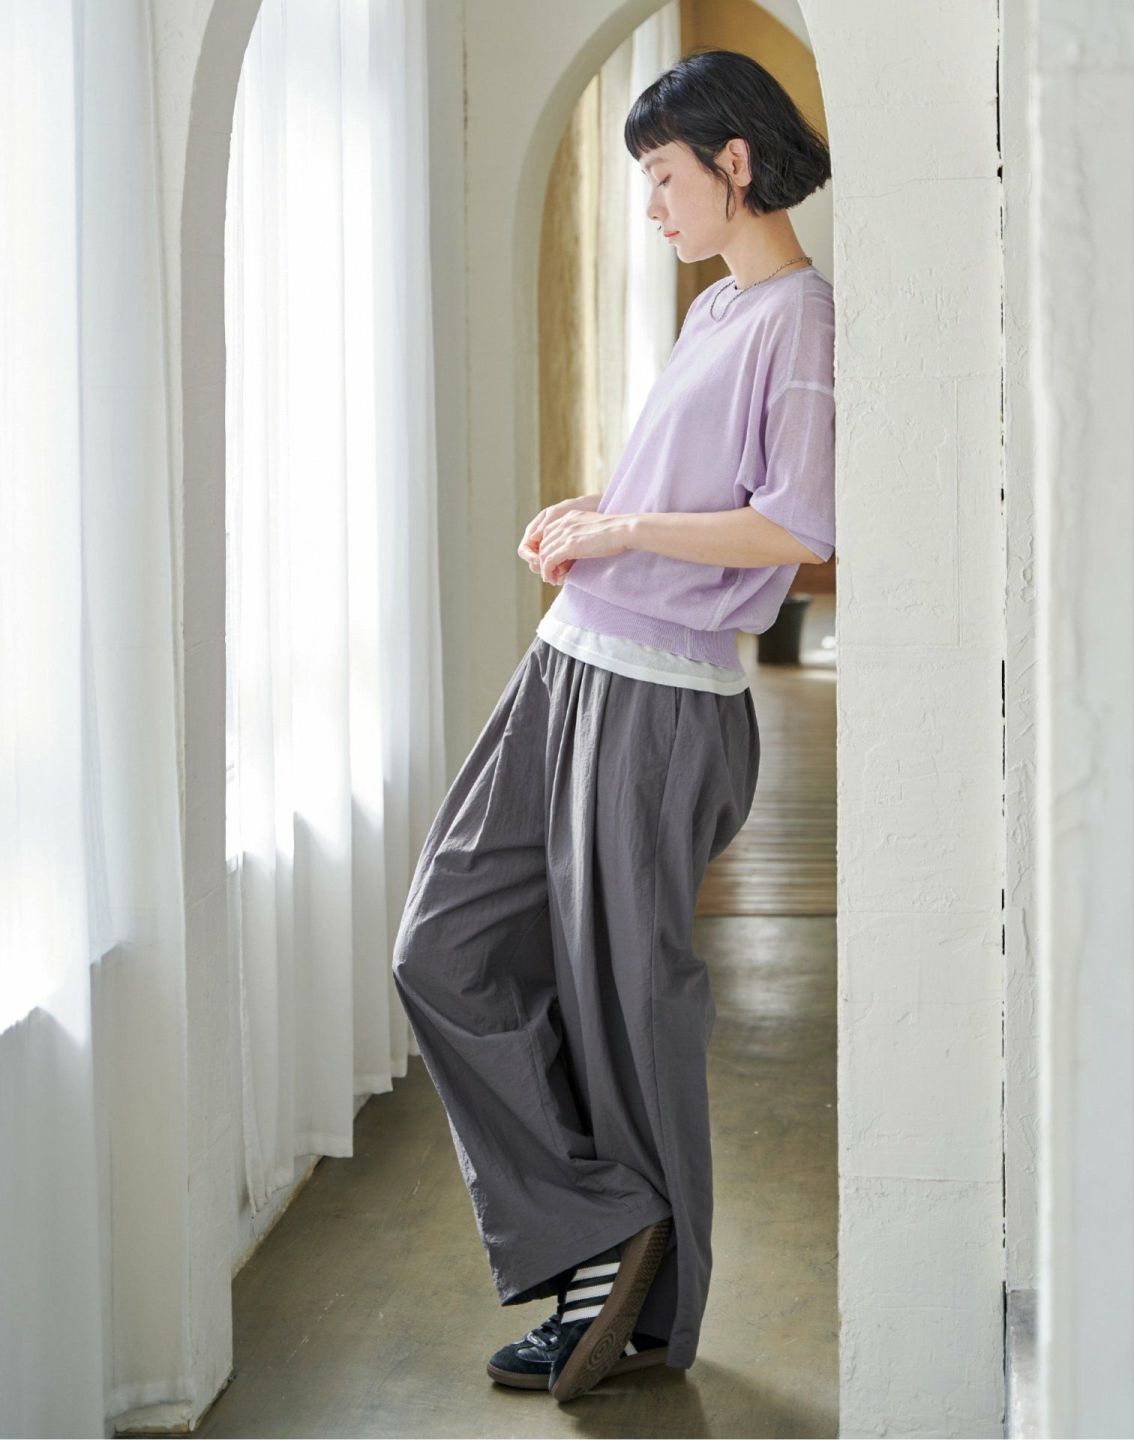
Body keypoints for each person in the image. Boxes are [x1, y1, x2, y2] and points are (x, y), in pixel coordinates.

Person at [391, 47, 835, 1403]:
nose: (651, 206)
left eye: (662, 176)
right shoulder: (717, 314)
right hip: (572, 662)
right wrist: (597, 512)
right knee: (442, 946)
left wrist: (629, 529)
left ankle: (633, 1309)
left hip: (661, 699)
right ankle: (600, 1227)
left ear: (735, 166)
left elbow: (797, 525)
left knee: (626, 1010)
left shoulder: (802, 322)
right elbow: (682, 493)